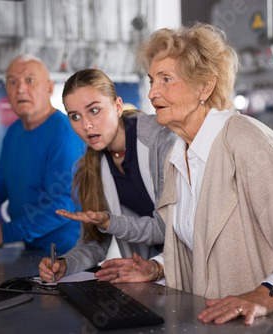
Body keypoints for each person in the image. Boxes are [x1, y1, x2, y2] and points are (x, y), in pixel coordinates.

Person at [93, 23, 273, 333]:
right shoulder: (178, 154)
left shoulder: (249, 143)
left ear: (205, 87)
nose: (152, 92)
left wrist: (266, 294)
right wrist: (157, 266)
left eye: (166, 80)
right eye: (152, 80)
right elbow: (200, 248)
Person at [38, 69, 176, 282]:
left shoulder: (161, 140)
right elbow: (93, 242)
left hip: (189, 268)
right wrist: (65, 264)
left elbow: (165, 228)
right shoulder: (92, 164)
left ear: (118, 106)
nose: (86, 125)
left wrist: (110, 222)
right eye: (75, 116)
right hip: (152, 277)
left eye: (94, 110)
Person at [0, 55, 85, 255]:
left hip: (65, 255)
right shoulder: (14, 131)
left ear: (49, 88)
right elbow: (1, 182)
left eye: (30, 80)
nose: (20, 88)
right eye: (12, 81)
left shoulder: (64, 133)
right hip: (30, 249)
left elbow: (63, 206)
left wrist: (5, 233)